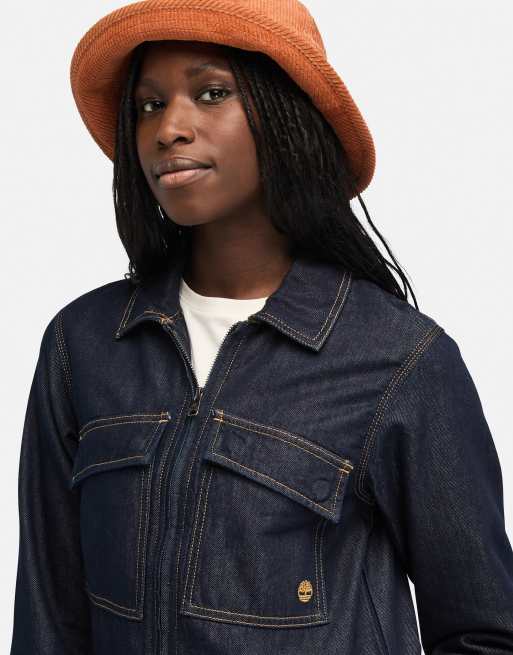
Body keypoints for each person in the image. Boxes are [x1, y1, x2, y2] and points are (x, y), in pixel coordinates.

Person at [10, 1, 513, 654]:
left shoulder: (398, 360)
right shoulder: (83, 345)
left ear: (284, 115)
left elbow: (486, 633)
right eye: (149, 105)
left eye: (211, 93)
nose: (168, 129)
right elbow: (48, 622)